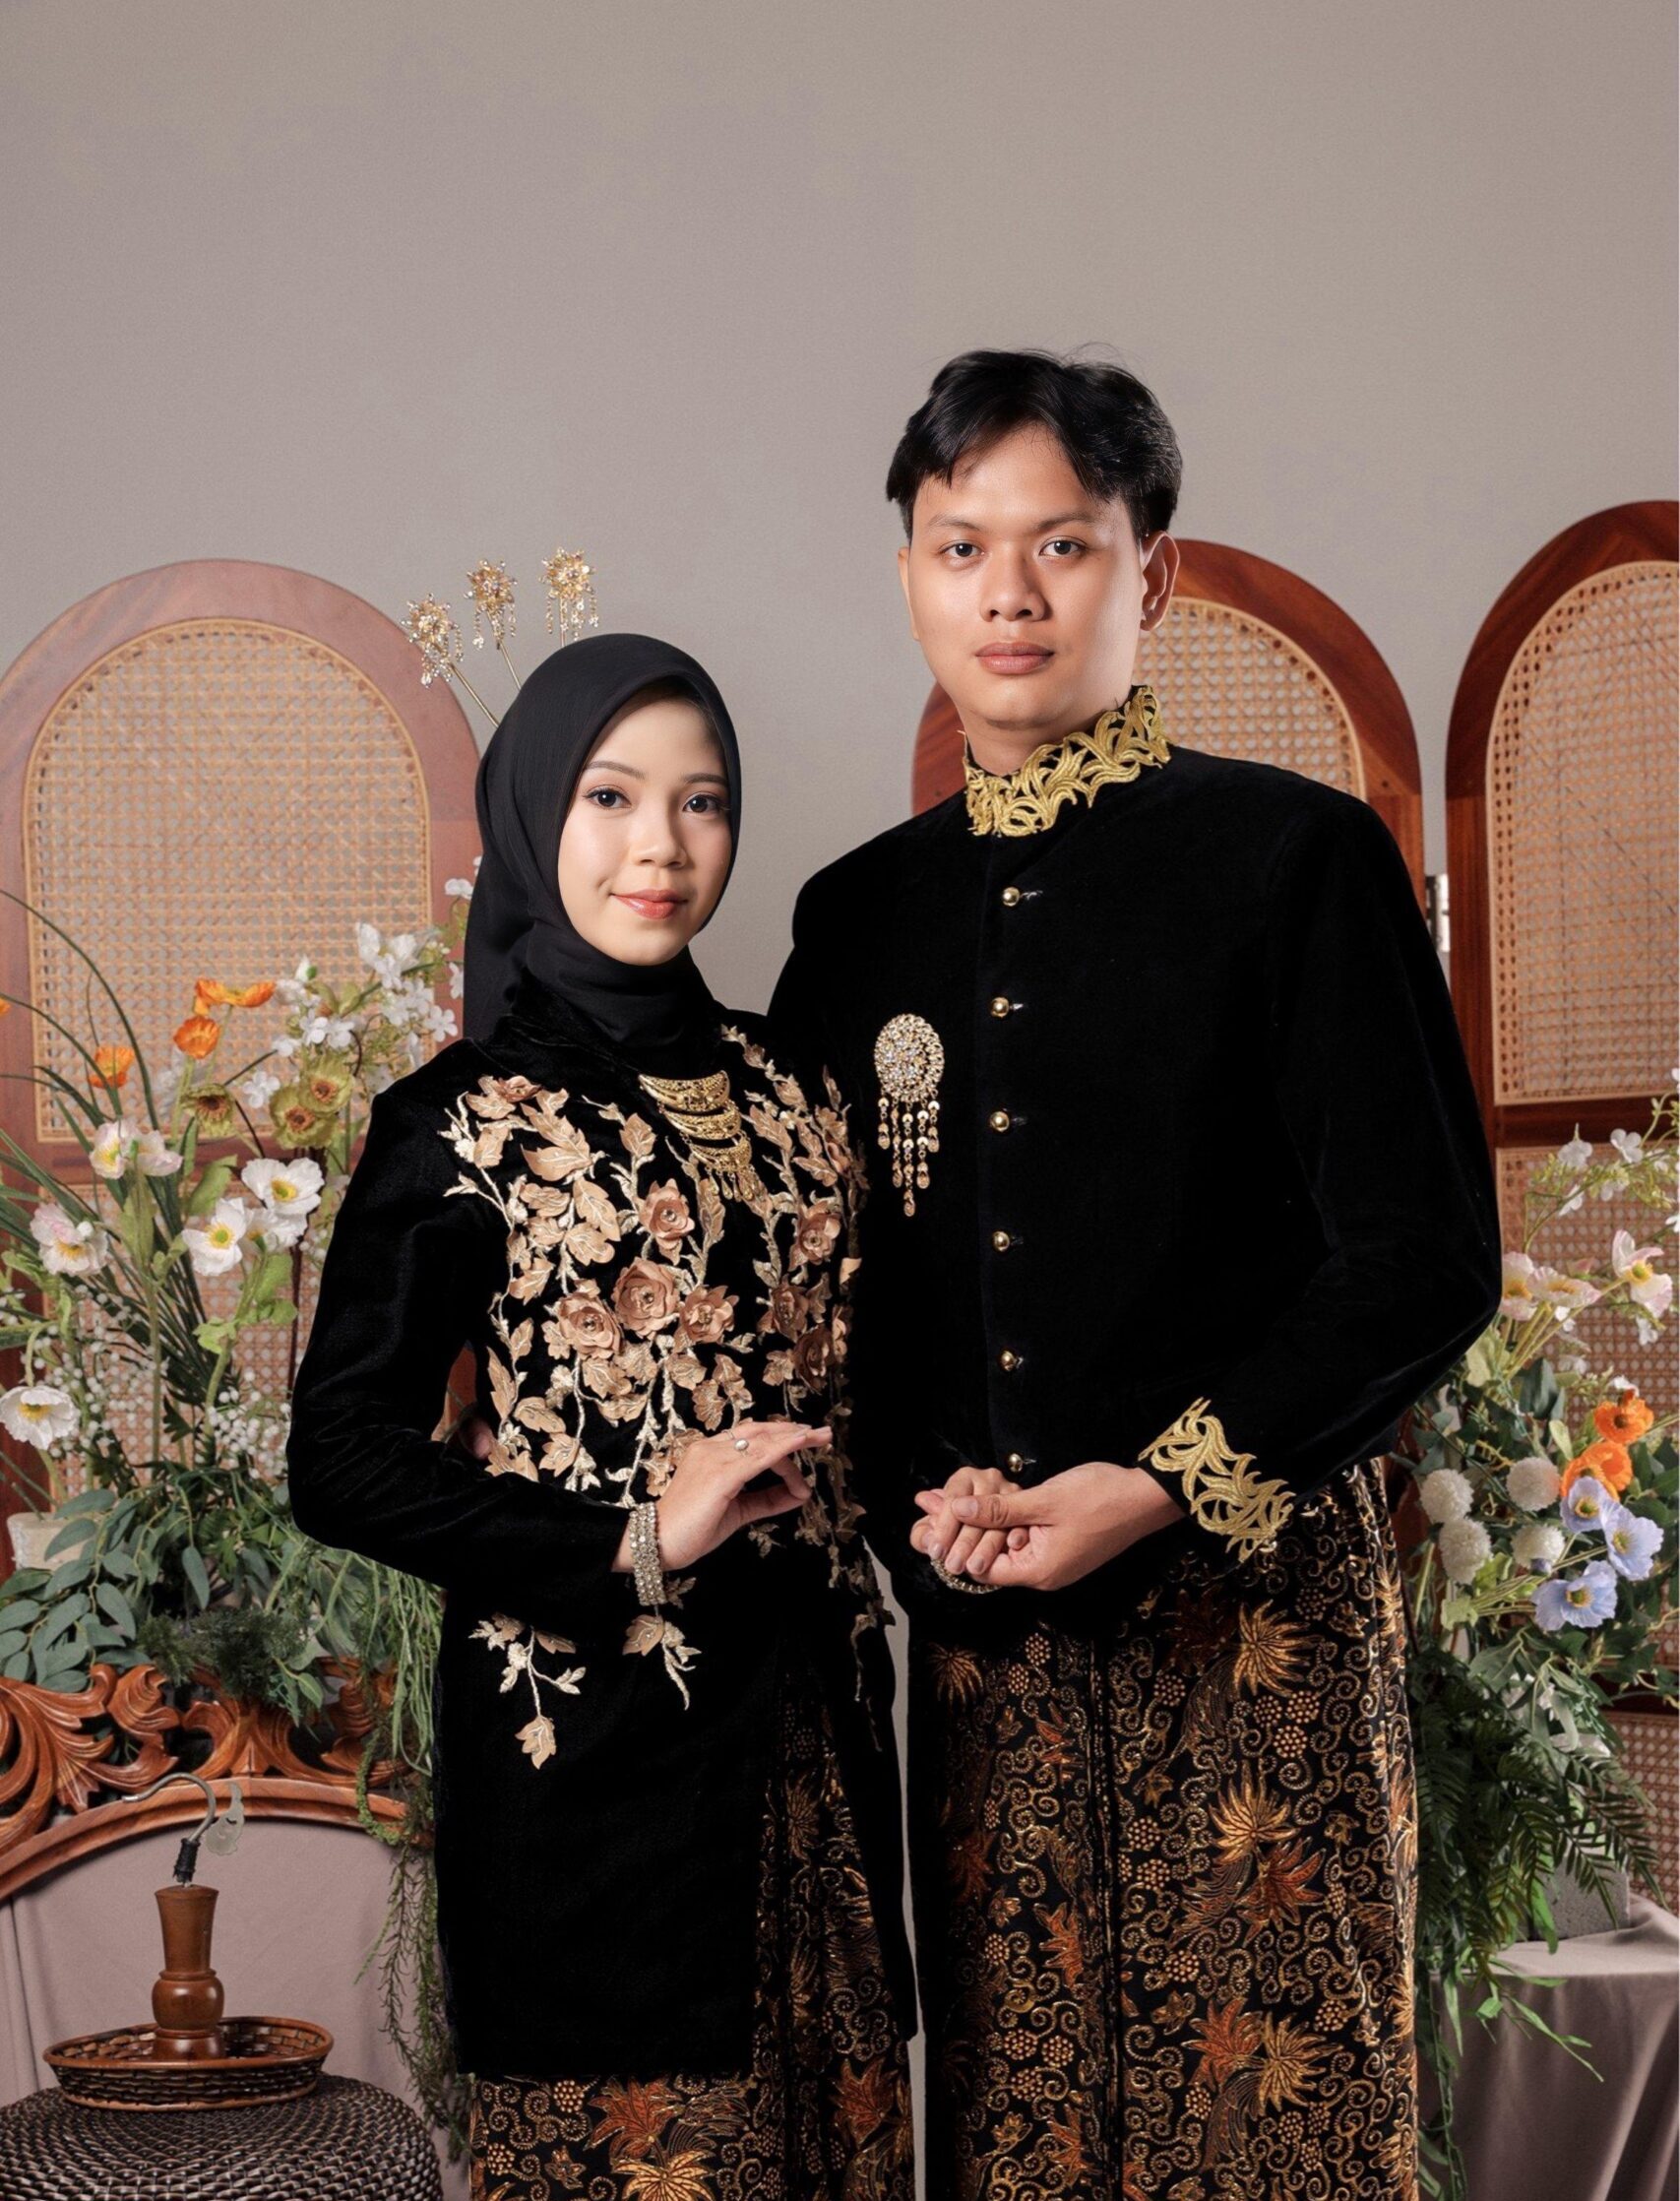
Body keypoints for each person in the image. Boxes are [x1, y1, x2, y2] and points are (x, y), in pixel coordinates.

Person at [770, 350, 1503, 2199]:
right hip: (986, 1651)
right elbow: (826, 1287)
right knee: (1024, 2141)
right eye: (961, 547)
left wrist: (1157, 1485)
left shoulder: (1297, 860)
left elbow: (1423, 1261)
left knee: (1276, 2135)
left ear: (1150, 574)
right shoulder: (855, 921)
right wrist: (917, 1509)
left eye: (1063, 544)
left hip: (1256, 1635)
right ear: (910, 575)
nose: (1008, 594)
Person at [287, 634, 915, 2200]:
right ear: (530, 816)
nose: (662, 846)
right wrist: (635, 1534)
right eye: (611, 797)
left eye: (702, 802)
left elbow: (867, 1382)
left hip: (810, 1762)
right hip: (589, 1774)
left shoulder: (797, 1088)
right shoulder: (457, 1122)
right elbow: (341, 1460)